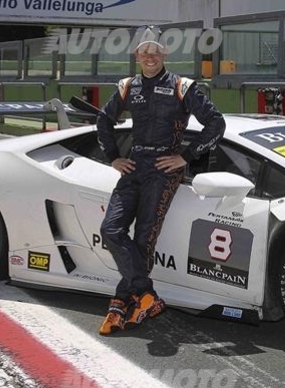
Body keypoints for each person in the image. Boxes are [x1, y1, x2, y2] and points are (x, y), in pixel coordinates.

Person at [96, 25, 225, 335]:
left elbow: (216, 123)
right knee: (110, 229)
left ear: (164, 54)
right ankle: (145, 295)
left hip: (165, 171)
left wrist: (186, 156)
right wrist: (113, 157)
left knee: (143, 240)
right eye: (144, 51)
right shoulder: (128, 86)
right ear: (136, 55)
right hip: (134, 166)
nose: (150, 56)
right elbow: (103, 119)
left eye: (155, 51)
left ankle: (122, 303)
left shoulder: (183, 86)